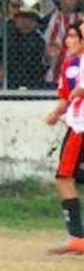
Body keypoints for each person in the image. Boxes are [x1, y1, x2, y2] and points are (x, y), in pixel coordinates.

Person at [43, 20, 84, 254]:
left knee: (64, 178)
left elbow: (78, 92)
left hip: (80, 127)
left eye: (74, 36)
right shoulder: (69, 65)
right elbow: (67, 95)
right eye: (67, 36)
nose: (68, 41)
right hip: (74, 124)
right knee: (68, 178)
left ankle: (76, 238)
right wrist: (56, 112)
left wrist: (64, 107)